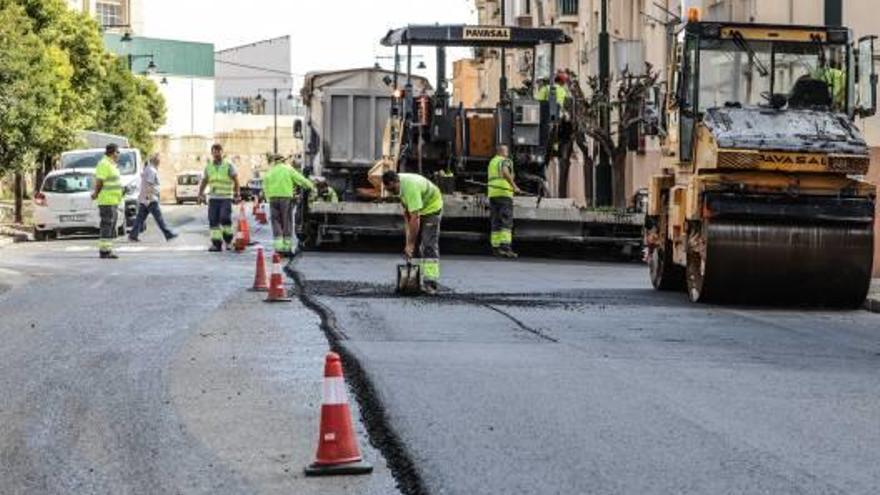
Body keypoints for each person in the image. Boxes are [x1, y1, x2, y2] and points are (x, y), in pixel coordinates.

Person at [382, 170, 443, 295]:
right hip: (418, 210)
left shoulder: (410, 187)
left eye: (392, 189)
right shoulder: (398, 188)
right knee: (414, 246)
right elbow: (407, 215)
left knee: (428, 244)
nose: (392, 192)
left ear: (396, 181)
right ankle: (415, 281)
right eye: (389, 190)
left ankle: (430, 282)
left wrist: (410, 244)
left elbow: (415, 218)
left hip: (432, 208)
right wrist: (408, 241)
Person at [263, 155, 314, 257]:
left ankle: (278, 248)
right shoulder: (288, 169)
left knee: (276, 221)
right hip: (285, 198)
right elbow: (300, 179)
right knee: (287, 221)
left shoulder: (270, 171)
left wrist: (268, 197)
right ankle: (286, 248)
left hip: (273, 199)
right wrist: (311, 185)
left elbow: (265, 185)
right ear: (283, 161)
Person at [197, 144, 241, 251]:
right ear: (212, 153)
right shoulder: (209, 166)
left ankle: (228, 240)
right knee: (213, 220)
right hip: (213, 198)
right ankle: (216, 244)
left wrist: (237, 193)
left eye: (218, 151)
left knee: (224, 218)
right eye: (214, 151)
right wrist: (200, 193)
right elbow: (205, 181)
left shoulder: (228, 165)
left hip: (226, 197)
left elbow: (236, 180)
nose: (216, 153)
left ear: (222, 152)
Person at [129, 154, 177, 242]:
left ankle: (133, 235)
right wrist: (149, 198)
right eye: (158, 160)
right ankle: (168, 234)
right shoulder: (151, 170)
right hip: (150, 198)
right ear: (155, 160)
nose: (160, 161)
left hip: (145, 198)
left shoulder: (148, 169)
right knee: (159, 218)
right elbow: (149, 184)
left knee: (140, 218)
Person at [487, 145, 522, 258]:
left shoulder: (492, 161)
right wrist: (515, 186)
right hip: (504, 192)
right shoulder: (505, 161)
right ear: (503, 152)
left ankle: (496, 248)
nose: (508, 153)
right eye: (507, 151)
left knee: (496, 220)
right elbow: (505, 172)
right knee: (506, 220)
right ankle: (506, 248)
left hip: (493, 193)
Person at [91, 143, 123, 259]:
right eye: (118, 152)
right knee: (107, 225)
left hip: (113, 200)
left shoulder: (111, 164)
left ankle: (107, 249)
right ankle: (104, 251)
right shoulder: (104, 164)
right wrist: (96, 193)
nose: (119, 154)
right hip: (106, 200)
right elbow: (100, 181)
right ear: (112, 152)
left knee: (110, 225)